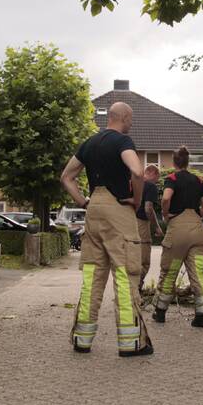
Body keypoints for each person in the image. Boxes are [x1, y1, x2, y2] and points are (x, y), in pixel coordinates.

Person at [60, 102, 153, 357]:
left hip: (94, 209)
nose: (132, 123)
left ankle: (82, 338)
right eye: (131, 118)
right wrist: (136, 199)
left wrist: (82, 202)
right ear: (122, 117)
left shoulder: (89, 143)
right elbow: (137, 170)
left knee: (93, 275)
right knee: (125, 273)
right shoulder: (123, 142)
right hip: (117, 210)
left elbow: (66, 177)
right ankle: (131, 342)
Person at [151, 146, 203, 327]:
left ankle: (160, 312)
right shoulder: (199, 181)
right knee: (198, 272)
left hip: (177, 228)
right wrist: (196, 215)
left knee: (170, 270)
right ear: (188, 162)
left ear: (174, 162)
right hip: (196, 228)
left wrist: (165, 213)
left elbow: (166, 198)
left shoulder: (172, 179)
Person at [137, 164, 164, 293]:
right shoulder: (150, 186)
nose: (157, 181)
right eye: (157, 177)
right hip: (141, 224)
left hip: (127, 224)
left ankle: (126, 291)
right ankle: (135, 290)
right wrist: (156, 227)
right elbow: (148, 209)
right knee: (143, 262)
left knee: (130, 260)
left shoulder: (132, 183)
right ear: (152, 173)